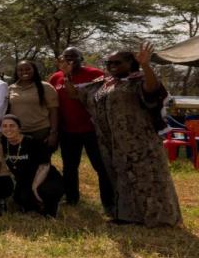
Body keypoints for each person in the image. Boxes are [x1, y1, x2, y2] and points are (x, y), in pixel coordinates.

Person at [65, 43, 181, 227]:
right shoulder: (103, 84)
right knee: (120, 179)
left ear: (130, 63)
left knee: (147, 178)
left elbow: (152, 89)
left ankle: (159, 218)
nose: (111, 65)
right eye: (108, 62)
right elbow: (76, 95)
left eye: (117, 62)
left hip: (140, 142)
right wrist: (67, 75)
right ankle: (127, 216)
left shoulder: (138, 80)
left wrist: (145, 65)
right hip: (112, 143)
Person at [49, 47, 114, 210]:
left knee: (101, 166)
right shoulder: (55, 78)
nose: (69, 61)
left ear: (81, 59)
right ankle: (71, 199)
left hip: (91, 130)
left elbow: (100, 99)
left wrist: (68, 76)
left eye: (73, 57)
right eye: (66, 58)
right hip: (68, 131)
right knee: (70, 166)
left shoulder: (95, 74)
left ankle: (109, 203)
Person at [0, 115, 64, 217]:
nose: (8, 129)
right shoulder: (2, 142)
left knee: (44, 191)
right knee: (21, 199)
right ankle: (37, 205)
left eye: (12, 126)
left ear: (19, 128)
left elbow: (45, 165)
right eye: (4, 126)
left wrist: (34, 187)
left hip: (46, 178)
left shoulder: (32, 142)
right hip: (25, 180)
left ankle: (51, 208)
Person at [7, 61, 59, 148]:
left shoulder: (45, 87)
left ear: (34, 70)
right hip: (18, 132)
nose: (24, 72)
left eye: (28, 69)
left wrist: (53, 133)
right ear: (16, 72)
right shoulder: (10, 88)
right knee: (20, 160)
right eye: (20, 70)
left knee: (41, 160)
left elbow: (54, 111)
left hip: (40, 131)